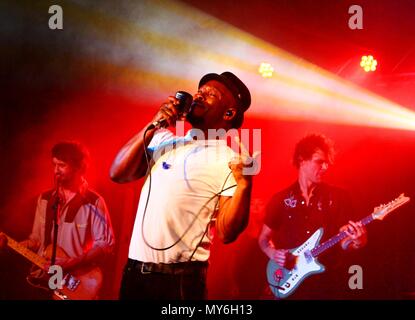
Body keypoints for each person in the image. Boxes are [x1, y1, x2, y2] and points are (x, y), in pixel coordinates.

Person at [110, 71, 256, 300]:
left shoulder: (228, 160)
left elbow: (227, 233)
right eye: (199, 90)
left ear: (228, 113)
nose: (198, 95)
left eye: (210, 94)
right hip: (135, 273)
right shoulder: (163, 139)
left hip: (179, 282)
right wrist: (155, 122)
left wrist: (245, 184)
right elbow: (118, 173)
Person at [258, 133, 367, 299]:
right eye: (319, 162)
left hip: (327, 285)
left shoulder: (338, 197)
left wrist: (358, 242)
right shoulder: (280, 199)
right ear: (302, 160)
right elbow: (263, 239)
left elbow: (344, 243)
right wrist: (273, 254)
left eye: (326, 163)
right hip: (291, 284)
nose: (325, 167)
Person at [1, 141, 115, 299]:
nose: (56, 171)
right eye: (54, 165)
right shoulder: (45, 200)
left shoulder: (94, 202)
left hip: (75, 282)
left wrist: (69, 264)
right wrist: (10, 243)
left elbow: (105, 245)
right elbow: (36, 240)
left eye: (61, 165)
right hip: (45, 280)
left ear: (78, 167)